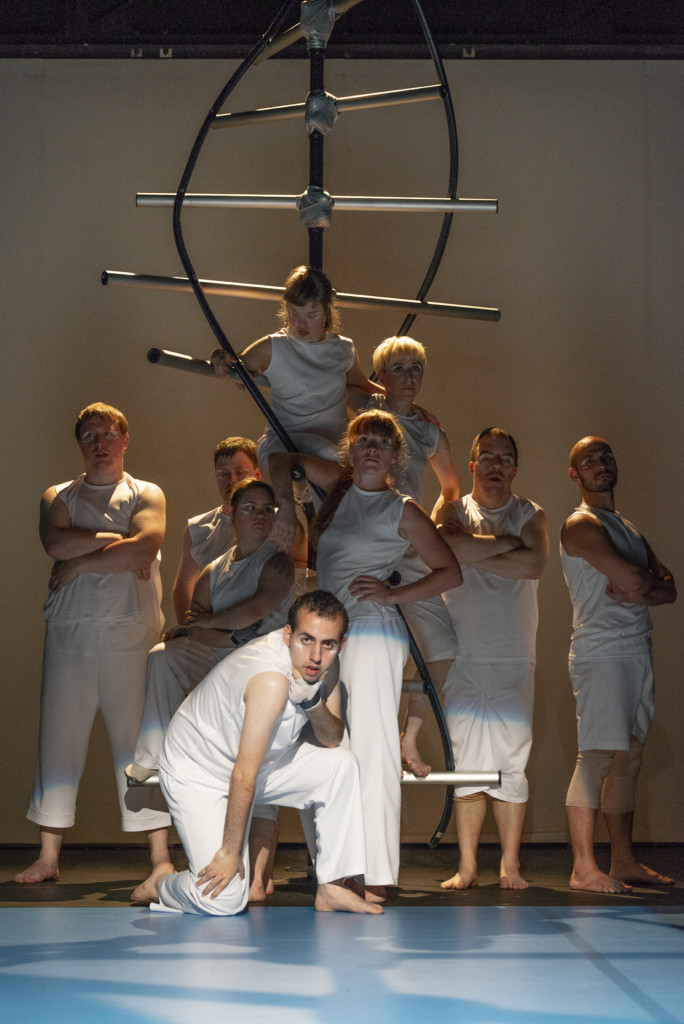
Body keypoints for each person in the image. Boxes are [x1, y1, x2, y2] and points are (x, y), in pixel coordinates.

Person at [270, 410, 463, 901]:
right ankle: (337, 868)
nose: (372, 449)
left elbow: (449, 572)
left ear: (397, 457)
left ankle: (377, 873)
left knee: (374, 748)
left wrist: (394, 594)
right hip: (330, 637)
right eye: (363, 441)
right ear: (350, 452)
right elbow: (280, 457)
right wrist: (285, 511)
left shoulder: (402, 509)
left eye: (382, 443)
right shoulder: (336, 492)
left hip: (374, 633)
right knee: (327, 748)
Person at [132, 591, 383, 917]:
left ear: (341, 644)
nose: (316, 655)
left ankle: (332, 886)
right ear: (287, 634)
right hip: (197, 771)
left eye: (328, 644)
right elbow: (243, 774)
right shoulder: (271, 680)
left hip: (259, 764)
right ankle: (162, 884)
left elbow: (333, 738)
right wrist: (229, 852)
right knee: (224, 899)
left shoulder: (323, 667)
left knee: (341, 765)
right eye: (306, 639)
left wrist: (311, 702)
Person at [16, 403, 167, 884]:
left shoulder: (147, 492)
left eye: (107, 434)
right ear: (79, 444)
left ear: (125, 439)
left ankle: (160, 856)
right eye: (88, 435)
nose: (99, 443)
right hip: (71, 635)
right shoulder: (57, 495)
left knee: (140, 749)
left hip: (131, 634)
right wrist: (115, 541)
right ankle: (48, 856)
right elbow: (55, 544)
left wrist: (82, 562)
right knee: (58, 740)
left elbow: (145, 547)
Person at [127, 478, 295, 902]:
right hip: (221, 661)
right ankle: (151, 758)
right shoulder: (212, 569)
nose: (260, 516)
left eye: (267, 509)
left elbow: (255, 612)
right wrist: (209, 630)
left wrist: (209, 628)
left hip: (261, 672)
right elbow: (196, 624)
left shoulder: (278, 564)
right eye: (250, 508)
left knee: (259, 772)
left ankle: (259, 877)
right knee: (163, 655)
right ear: (233, 516)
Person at [560, 435, 676, 893]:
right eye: (588, 460)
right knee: (597, 758)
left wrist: (644, 586)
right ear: (576, 475)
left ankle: (623, 861)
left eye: (606, 456)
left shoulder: (626, 526)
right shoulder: (580, 525)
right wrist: (644, 583)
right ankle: (583, 868)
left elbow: (668, 589)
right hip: (601, 651)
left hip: (635, 648)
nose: (600, 464)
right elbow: (634, 578)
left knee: (629, 758)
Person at [436, 427, 548, 890]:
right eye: (488, 458)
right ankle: (467, 866)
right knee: (465, 764)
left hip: (514, 657)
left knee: (510, 764)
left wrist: (471, 553)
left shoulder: (529, 513)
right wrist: (506, 546)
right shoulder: (451, 510)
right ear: (472, 466)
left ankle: (510, 866)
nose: (496, 466)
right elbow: (444, 550)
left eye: (505, 459)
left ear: (515, 469)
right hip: (463, 655)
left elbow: (534, 564)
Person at [355, 335, 461, 776]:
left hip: (410, 545)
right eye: (397, 368)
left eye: (415, 368)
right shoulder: (365, 417)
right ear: (380, 376)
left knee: (442, 647)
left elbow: (451, 489)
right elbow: (339, 385)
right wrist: (371, 390)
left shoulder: (429, 430)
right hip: (368, 543)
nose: (408, 377)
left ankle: (408, 739)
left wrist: (430, 530)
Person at [210, 265, 381, 478]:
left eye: (311, 314)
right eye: (293, 313)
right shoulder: (275, 346)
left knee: (353, 469)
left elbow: (364, 387)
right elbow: (232, 362)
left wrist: (409, 406)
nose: (301, 323)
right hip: (287, 441)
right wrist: (218, 356)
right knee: (335, 460)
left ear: (326, 311)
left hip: (333, 449)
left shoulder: (343, 349)